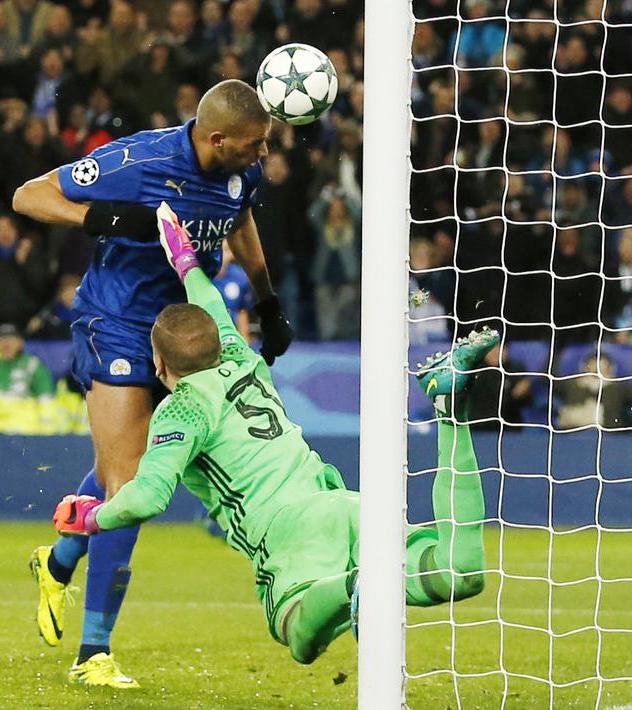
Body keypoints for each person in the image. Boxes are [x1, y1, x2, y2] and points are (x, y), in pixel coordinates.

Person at [53, 206, 491, 664]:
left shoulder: (181, 409)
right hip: (343, 507)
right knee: (458, 573)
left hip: (288, 536)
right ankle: (450, 412)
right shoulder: (241, 356)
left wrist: (90, 519)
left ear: (160, 366)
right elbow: (207, 299)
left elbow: (146, 498)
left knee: (299, 634)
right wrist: (184, 259)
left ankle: (356, 584)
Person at [14, 79, 293, 687]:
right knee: (133, 481)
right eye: (253, 145)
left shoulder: (240, 170)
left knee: (128, 462)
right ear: (216, 138)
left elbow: (239, 218)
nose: (262, 155)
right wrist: (104, 216)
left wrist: (267, 300)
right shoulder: (139, 160)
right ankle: (94, 653)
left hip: (183, 328)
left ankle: (58, 559)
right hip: (115, 322)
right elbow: (28, 197)